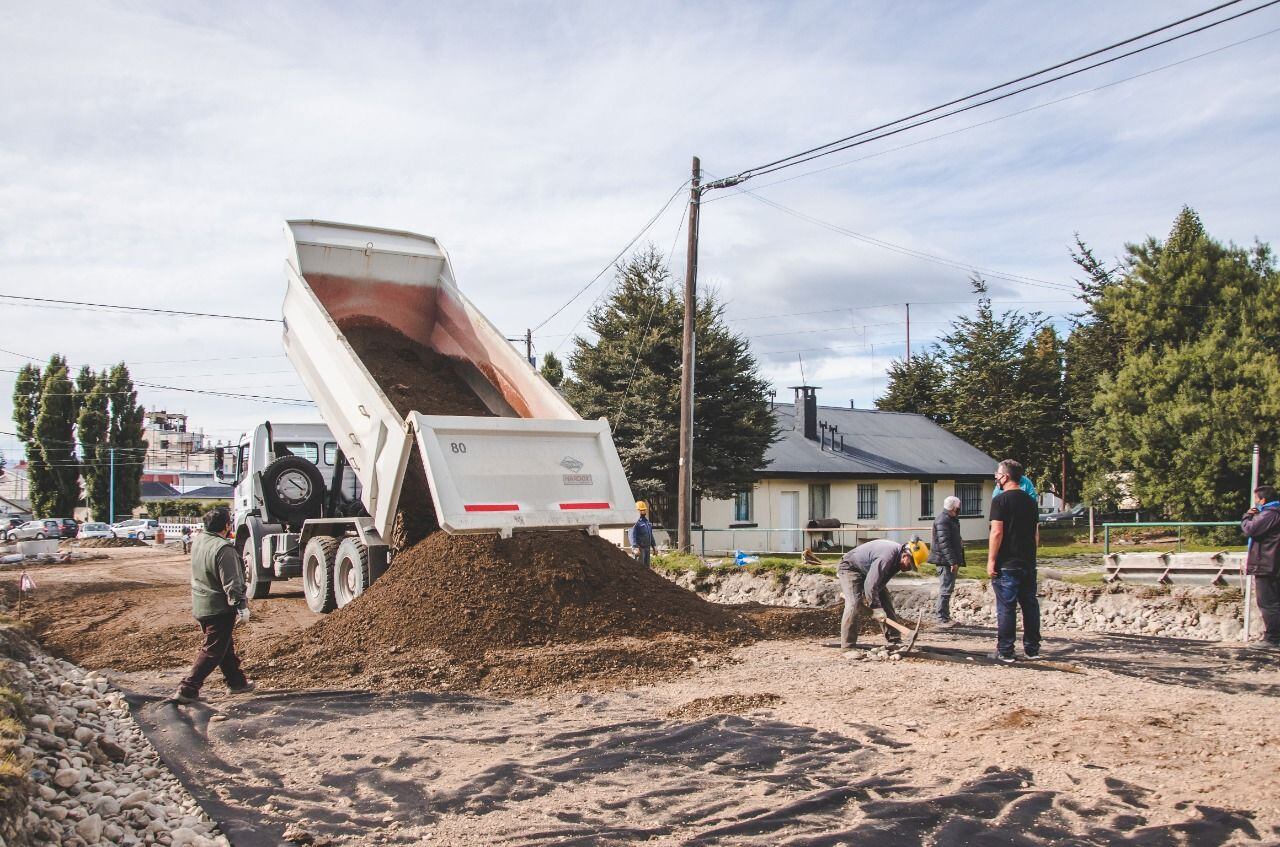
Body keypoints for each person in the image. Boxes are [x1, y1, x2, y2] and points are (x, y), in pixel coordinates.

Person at [173, 507, 255, 703]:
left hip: (201, 604)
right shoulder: (223, 549)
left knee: (224, 646)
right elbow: (232, 582)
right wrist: (240, 605)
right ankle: (188, 689)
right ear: (227, 525)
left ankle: (236, 683)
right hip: (218, 607)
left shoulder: (199, 541)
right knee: (213, 650)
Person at [988, 459, 1041, 663]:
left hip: (1007, 564)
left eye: (997, 474)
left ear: (1005, 476)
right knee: (1030, 606)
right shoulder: (1031, 501)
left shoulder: (1000, 501)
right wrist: (1031, 557)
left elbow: (997, 532)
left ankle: (1006, 651)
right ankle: (1032, 649)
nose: (996, 478)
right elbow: (1035, 534)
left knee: (1006, 607)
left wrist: (991, 560)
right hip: (1028, 562)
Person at [837, 538, 928, 649]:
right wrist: (876, 607)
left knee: (885, 600)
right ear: (906, 556)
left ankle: (894, 640)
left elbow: (878, 584)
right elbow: (870, 585)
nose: (909, 568)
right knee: (854, 603)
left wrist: (874, 601)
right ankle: (848, 647)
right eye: (910, 565)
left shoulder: (897, 560)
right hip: (850, 567)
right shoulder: (887, 558)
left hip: (867, 571)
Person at [1241, 484, 1280, 649]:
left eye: (1257, 500)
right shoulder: (1273, 513)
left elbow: (1250, 529)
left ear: (1263, 500)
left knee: (1268, 602)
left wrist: (1246, 517)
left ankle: (1273, 638)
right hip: (1272, 563)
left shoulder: (1269, 514)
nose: (1256, 503)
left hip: (1267, 564)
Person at [928, 495, 965, 625]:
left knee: (948, 588)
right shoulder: (943, 520)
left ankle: (945, 616)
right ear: (953, 507)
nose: (960, 509)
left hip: (948, 559)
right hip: (944, 561)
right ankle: (941, 618)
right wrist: (952, 562)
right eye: (958, 507)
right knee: (945, 589)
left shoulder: (951, 519)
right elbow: (944, 544)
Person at [629, 500, 658, 568]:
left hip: (647, 549)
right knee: (639, 568)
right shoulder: (634, 522)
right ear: (637, 511)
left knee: (646, 569)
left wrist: (654, 546)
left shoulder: (647, 522)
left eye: (644, 510)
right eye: (641, 510)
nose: (643, 512)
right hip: (639, 549)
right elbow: (631, 535)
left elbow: (650, 535)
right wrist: (635, 547)